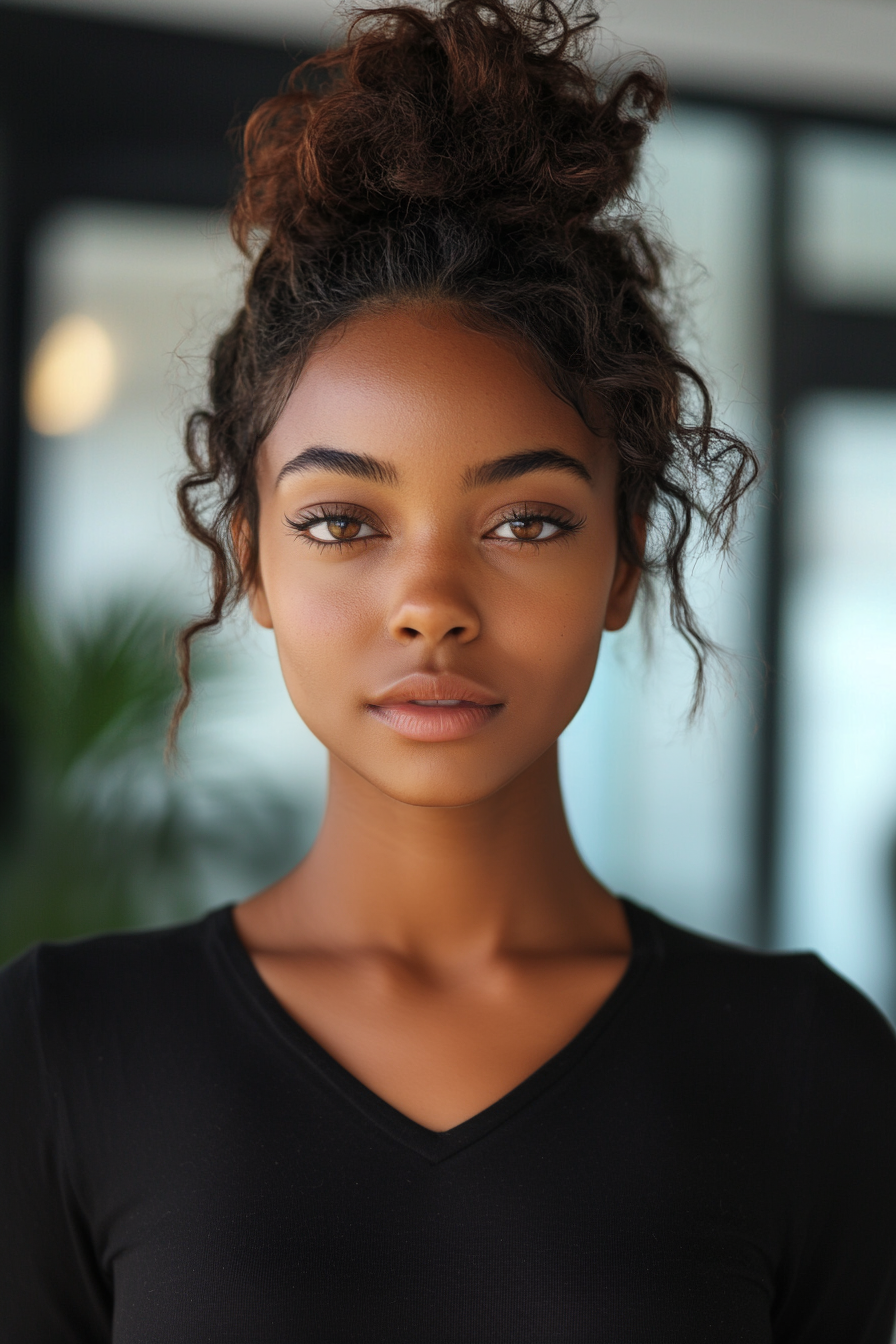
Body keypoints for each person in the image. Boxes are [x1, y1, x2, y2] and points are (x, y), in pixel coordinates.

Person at [2, 1, 895, 1339]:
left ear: (622, 562)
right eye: (342, 522)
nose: (430, 606)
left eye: (525, 520)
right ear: (251, 557)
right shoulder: (61, 1053)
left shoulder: (807, 1067)